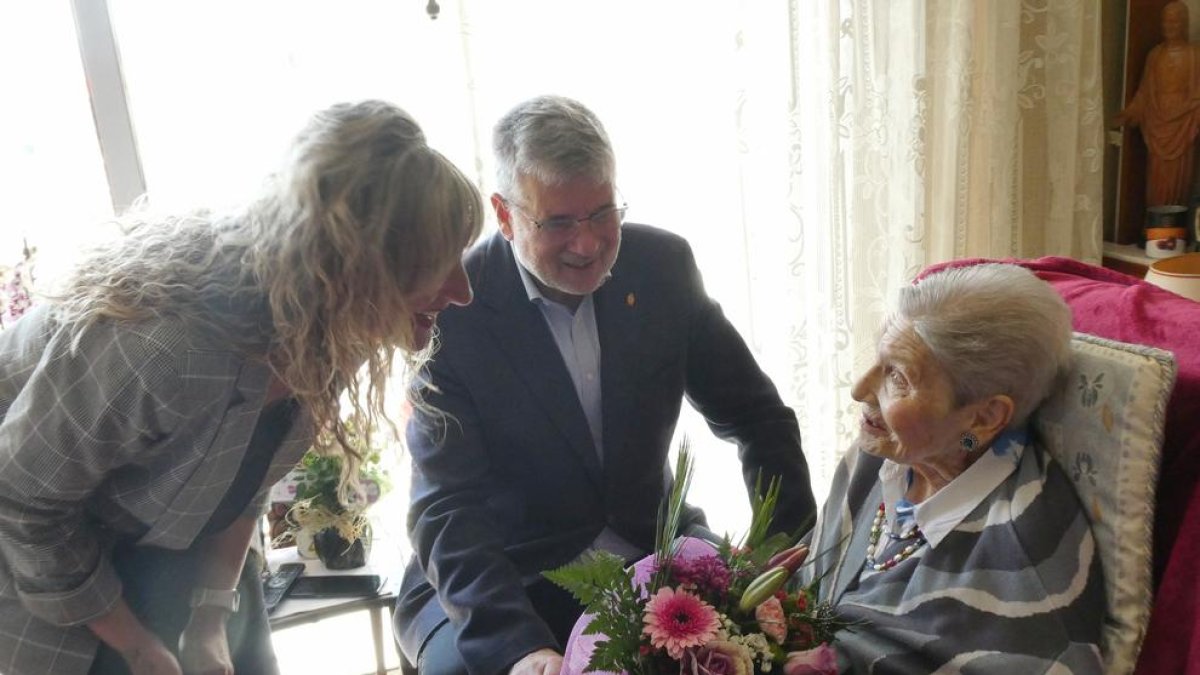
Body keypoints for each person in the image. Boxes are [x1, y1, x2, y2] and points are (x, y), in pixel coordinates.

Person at [0, 99, 483, 675]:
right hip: (37, 565)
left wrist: (208, 621)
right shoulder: (165, 346)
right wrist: (136, 646)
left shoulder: (332, 325)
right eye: (434, 265)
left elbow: (245, 479)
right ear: (351, 268)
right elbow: (25, 502)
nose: (462, 291)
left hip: (164, 546)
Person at [394, 94, 817, 675]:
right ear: (504, 213)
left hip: (656, 552)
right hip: (501, 577)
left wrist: (776, 560)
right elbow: (447, 506)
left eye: (601, 213)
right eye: (559, 222)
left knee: (772, 650)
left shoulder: (662, 266)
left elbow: (758, 418)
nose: (588, 243)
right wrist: (517, 647)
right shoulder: (454, 300)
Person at [800, 263, 1105, 672]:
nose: (860, 388)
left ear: (982, 418)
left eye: (899, 377)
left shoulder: (1024, 576)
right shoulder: (882, 457)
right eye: (878, 359)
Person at [1116, 1, 1200, 207]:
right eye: (1166, 21)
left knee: (1181, 177)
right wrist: (1129, 113)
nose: (1169, 26)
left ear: (1184, 23)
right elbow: (1144, 93)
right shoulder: (1154, 55)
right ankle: (1155, 225)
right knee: (1157, 176)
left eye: (1175, 21)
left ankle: (1175, 226)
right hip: (1158, 123)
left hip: (1183, 124)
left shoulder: (1195, 55)